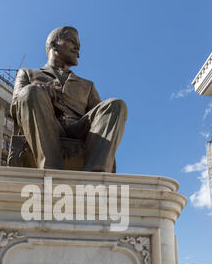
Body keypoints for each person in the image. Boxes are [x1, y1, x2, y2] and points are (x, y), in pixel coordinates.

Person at [10, 26, 127, 172]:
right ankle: (52, 168)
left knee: (115, 104)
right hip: (47, 124)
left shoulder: (88, 85)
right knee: (29, 91)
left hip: (78, 128)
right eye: (72, 41)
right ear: (53, 45)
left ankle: (95, 173)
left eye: (78, 44)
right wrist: (40, 90)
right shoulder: (27, 73)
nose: (77, 47)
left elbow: (100, 119)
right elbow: (16, 106)